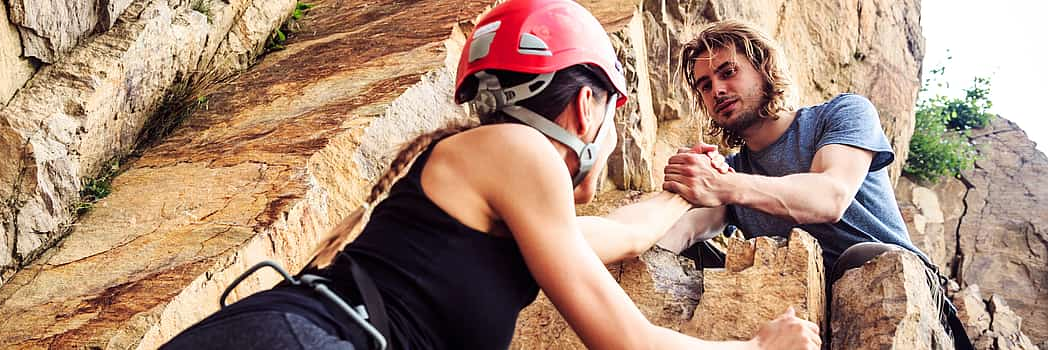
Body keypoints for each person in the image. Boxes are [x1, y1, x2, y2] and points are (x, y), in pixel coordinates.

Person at [162, 2, 820, 349]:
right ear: (588, 102)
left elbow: (616, 237)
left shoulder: (508, 203)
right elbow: (628, 340)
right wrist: (758, 349)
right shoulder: (520, 154)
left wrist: (682, 193)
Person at [656, 20, 971, 349]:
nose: (717, 90)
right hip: (807, 317)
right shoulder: (733, 172)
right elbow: (682, 231)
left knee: (861, 257)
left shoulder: (841, 114)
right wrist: (677, 192)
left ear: (764, 67)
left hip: (904, 301)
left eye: (728, 71)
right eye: (704, 85)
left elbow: (829, 198)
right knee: (694, 263)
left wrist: (724, 185)